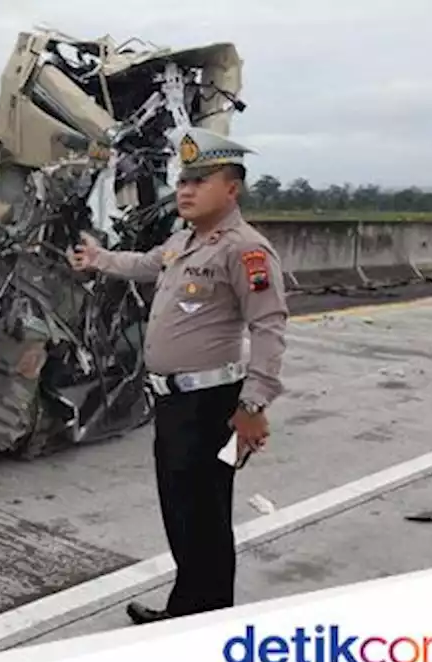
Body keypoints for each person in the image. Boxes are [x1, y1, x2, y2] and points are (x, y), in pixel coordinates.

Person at [69, 127, 289, 624]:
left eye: (200, 179)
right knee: (184, 517)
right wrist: (97, 259)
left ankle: (203, 621)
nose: (184, 190)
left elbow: (270, 328)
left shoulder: (244, 250)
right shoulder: (184, 242)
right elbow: (145, 264)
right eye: (182, 179)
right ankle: (187, 610)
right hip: (174, 405)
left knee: (205, 521)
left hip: (211, 406)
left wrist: (253, 406)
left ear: (231, 189)